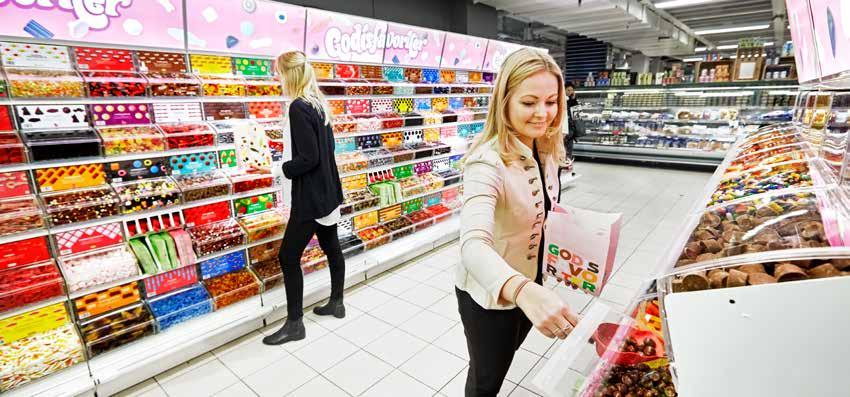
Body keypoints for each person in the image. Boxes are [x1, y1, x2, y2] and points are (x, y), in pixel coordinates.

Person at [456, 48, 580, 396]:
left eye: (552, 101)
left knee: (502, 360)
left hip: (532, 283)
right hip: (490, 295)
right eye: (529, 103)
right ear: (505, 102)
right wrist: (523, 290)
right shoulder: (486, 163)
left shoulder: (545, 148)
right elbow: (473, 246)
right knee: (486, 379)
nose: (543, 114)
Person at [263, 51, 347, 346]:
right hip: (328, 190)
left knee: (287, 256)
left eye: (278, 73)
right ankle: (337, 302)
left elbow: (308, 158)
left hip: (310, 195)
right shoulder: (318, 103)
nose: (277, 79)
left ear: (289, 75)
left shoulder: (298, 107)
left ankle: (295, 324)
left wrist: (281, 167)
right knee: (330, 245)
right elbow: (329, 149)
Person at [564, 82, 579, 160]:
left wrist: (574, 99)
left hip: (570, 129)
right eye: (568, 90)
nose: (570, 92)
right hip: (563, 129)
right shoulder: (561, 100)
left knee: (569, 150)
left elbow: (576, 114)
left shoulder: (572, 100)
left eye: (572, 90)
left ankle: (567, 163)